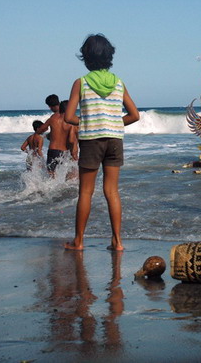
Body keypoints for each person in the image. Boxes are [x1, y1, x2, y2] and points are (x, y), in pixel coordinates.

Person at [63, 33, 140, 251]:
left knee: (85, 192)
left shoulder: (82, 83)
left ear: (86, 58)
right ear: (109, 56)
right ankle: (117, 242)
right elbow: (135, 115)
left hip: (91, 141)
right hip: (114, 140)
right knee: (112, 192)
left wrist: (90, 123)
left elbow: (69, 117)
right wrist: (112, 123)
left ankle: (78, 241)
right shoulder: (118, 83)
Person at [37, 98, 75, 176]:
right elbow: (71, 140)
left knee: (51, 174)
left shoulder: (52, 118)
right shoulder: (71, 122)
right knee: (64, 174)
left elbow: (40, 130)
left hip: (52, 150)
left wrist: (49, 135)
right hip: (64, 151)